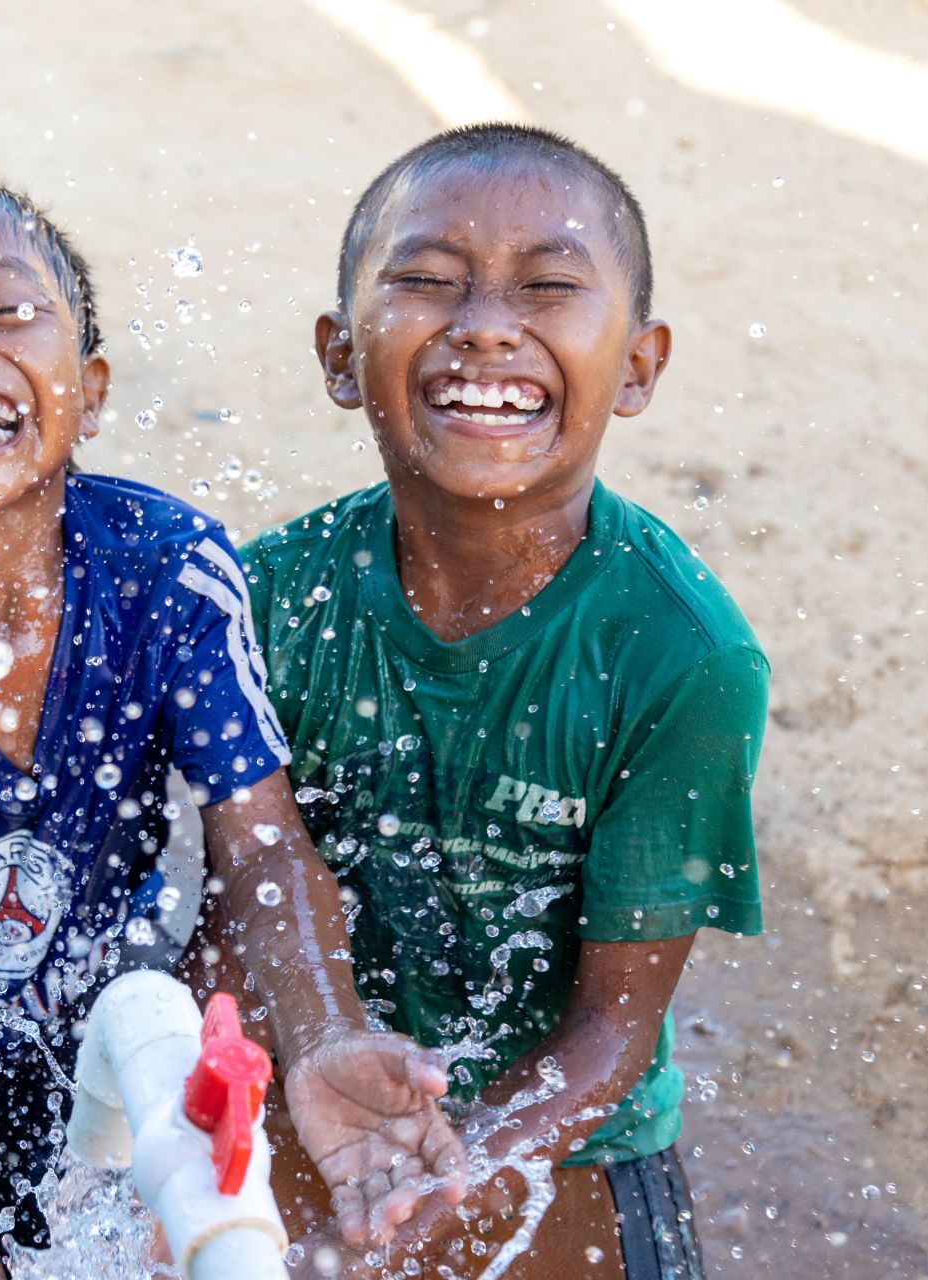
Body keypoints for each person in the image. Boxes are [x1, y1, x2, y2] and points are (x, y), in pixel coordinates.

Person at [0, 165, 463, 1279]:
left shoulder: (168, 571)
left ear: (91, 383)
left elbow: (258, 845)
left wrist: (324, 1027)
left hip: (77, 1044)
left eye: (9, 309)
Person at [235, 124, 769, 1279]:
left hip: (562, 1128)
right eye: (426, 281)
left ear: (637, 365)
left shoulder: (680, 655)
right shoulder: (273, 596)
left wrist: (457, 1169)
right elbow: (248, 888)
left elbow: (613, 1031)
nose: (483, 323)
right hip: (317, 1082)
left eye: (551, 286)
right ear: (338, 354)